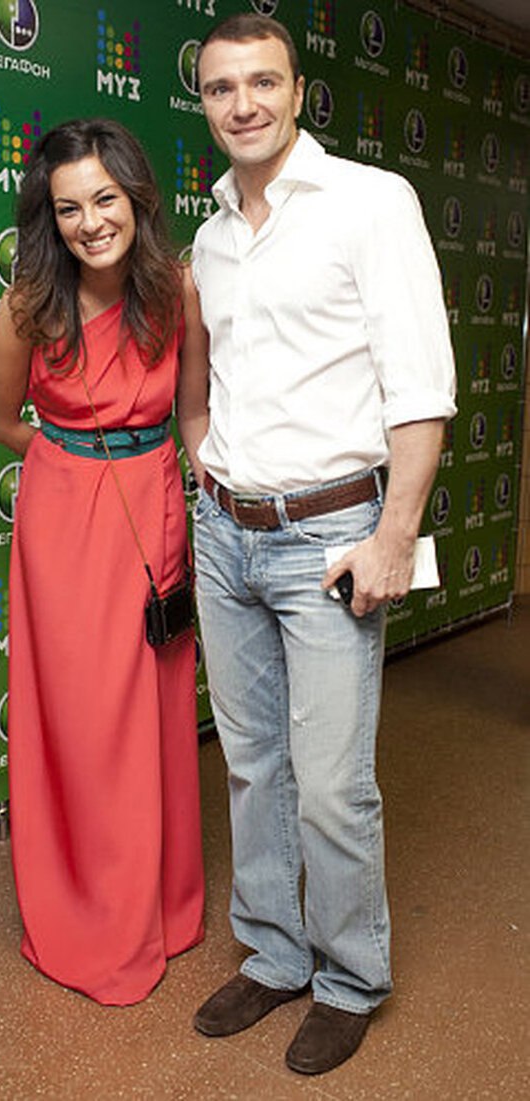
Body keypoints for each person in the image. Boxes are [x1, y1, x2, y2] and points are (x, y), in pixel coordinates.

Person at [177, 14, 456, 1074]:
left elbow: (420, 386)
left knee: (333, 781)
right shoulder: (210, 236)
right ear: (204, 103)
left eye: (263, 82)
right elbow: (206, 386)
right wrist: (209, 468)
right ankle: (275, 952)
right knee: (253, 766)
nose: (242, 103)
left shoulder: (371, 202)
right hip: (228, 534)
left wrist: (394, 534)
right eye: (221, 88)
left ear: (299, 91)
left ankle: (348, 977)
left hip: (333, 535)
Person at [0, 118, 206, 1006]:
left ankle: (164, 905)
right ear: (50, 217)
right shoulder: (28, 305)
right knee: (85, 718)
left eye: (105, 199)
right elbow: (2, 420)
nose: (90, 222)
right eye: (68, 207)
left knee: (154, 705)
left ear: (137, 198)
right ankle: (92, 919)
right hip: (66, 521)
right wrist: (75, 463)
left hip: (155, 507)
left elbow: (194, 412)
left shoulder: (176, 292)